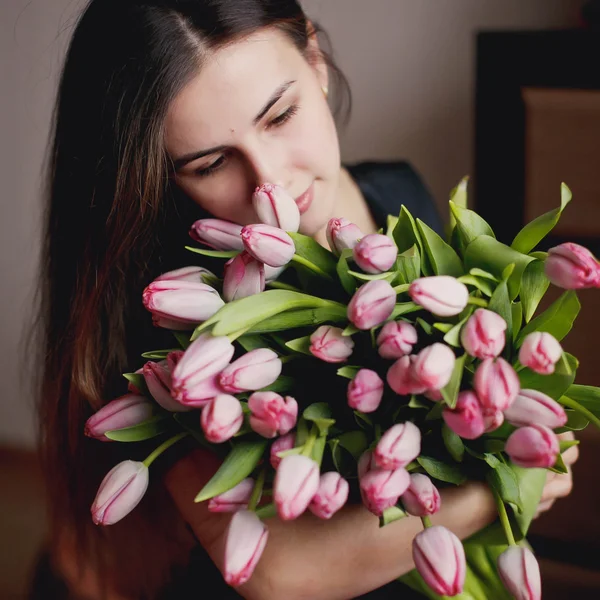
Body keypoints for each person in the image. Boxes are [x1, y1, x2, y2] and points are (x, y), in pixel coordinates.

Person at [28, 1, 579, 599]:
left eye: (281, 114)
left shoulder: (396, 192)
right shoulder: (173, 316)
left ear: (315, 60)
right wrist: (502, 485)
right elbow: (279, 575)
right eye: (209, 163)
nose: (271, 182)